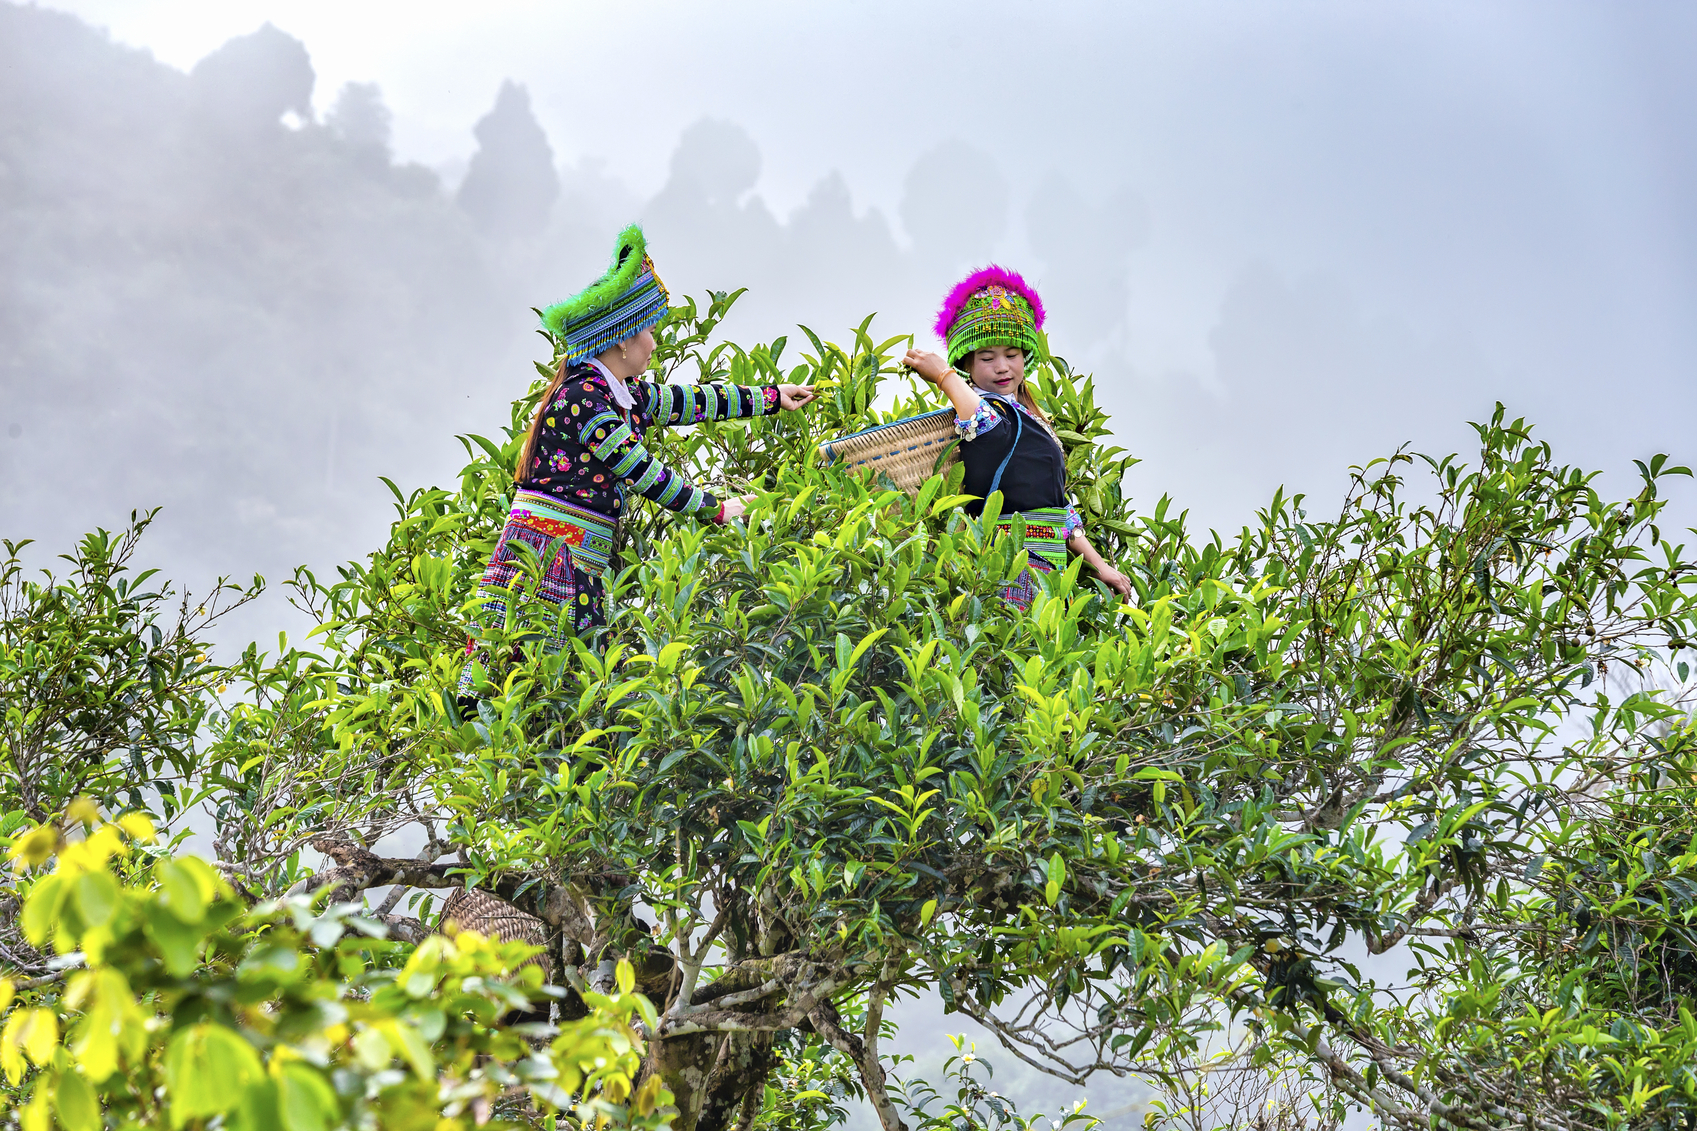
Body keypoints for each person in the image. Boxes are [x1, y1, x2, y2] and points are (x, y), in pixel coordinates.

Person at [462, 224, 816, 687]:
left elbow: (690, 401)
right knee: (518, 687)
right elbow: (640, 470)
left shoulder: (615, 392)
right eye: (648, 330)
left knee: (568, 691)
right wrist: (716, 510)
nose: (654, 342)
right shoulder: (583, 399)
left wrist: (771, 397)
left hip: (577, 561)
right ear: (623, 339)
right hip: (544, 560)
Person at [902, 266, 1132, 606]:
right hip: (1003, 567)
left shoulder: (1033, 419)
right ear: (966, 364)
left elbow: (1060, 509)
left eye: (1012, 355)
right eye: (987, 357)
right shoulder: (983, 412)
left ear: (1026, 356)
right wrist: (944, 377)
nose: (1002, 367)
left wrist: (1100, 565)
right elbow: (982, 422)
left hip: (1050, 572)